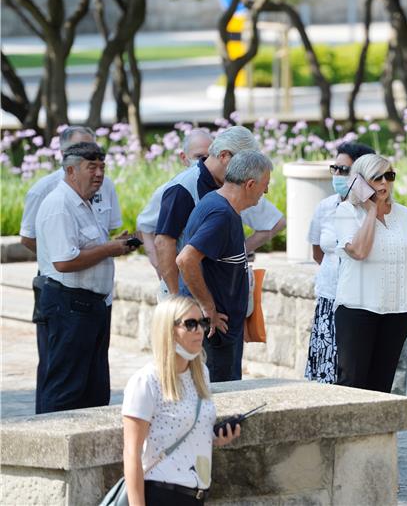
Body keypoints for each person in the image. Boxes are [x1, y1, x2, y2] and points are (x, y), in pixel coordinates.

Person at [19, 126, 123, 413]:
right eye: (92, 167)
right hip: (69, 306)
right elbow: (64, 261)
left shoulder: (85, 201)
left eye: (102, 166)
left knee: (94, 388)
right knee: (64, 390)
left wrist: (115, 244)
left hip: (93, 305)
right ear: (71, 170)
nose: (99, 174)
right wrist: (112, 249)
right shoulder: (59, 203)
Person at [122, 295, 241, 505]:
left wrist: (215, 438)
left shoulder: (201, 373)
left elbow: (185, 431)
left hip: (197, 495)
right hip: (162, 494)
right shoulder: (145, 381)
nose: (199, 330)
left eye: (203, 322)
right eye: (190, 324)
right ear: (169, 330)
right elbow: (131, 453)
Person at [153, 126, 285, 298]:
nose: (247, 171)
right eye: (243, 163)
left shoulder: (235, 183)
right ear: (224, 156)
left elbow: (277, 223)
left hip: (220, 294)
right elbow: (164, 242)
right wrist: (175, 297)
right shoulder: (183, 187)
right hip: (188, 297)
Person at [176, 151, 273, 383]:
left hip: (223, 328)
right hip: (215, 330)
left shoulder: (221, 205)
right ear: (250, 184)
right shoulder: (221, 214)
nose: (266, 192)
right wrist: (207, 307)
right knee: (221, 397)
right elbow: (185, 259)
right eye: (264, 185)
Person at [333, 154, 407, 393]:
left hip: (398, 312)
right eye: (377, 177)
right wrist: (371, 210)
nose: (385, 182)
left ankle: (375, 432)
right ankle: (349, 432)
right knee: (351, 385)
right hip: (357, 309)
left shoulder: (404, 214)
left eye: (390, 175)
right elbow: (359, 251)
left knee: (381, 386)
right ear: (361, 181)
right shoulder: (346, 211)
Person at [305, 142, 375, 384]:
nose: (337, 175)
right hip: (329, 297)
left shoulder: (373, 212)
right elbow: (318, 252)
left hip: (361, 301)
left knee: (354, 372)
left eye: (344, 170)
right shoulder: (325, 207)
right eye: (335, 168)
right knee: (326, 369)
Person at [138, 129, 213, 278]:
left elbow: (271, 223)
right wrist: (161, 268)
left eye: (210, 156)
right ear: (184, 158)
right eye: (199, 157)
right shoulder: (171, 189)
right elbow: (145, 227)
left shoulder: (224, 186)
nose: (205, 162)